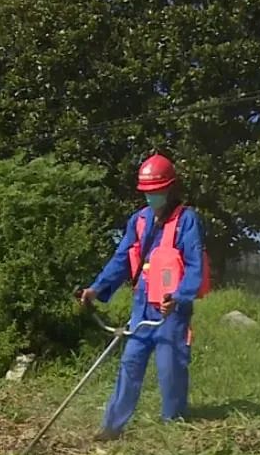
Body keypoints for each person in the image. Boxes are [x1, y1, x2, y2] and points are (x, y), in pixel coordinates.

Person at [78, 153, 209, 439]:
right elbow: (122, 259)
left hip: (171, 309)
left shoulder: (186, 220)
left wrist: (179, 296)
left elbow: (194, 266)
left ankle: (173, 422)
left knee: (170, 366)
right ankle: (112, 426)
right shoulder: (138, 221)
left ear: (170, 189)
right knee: (131, 362)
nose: (152, 197)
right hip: (143, 307)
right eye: (147, 192)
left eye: (157, 191)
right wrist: (96, 288)